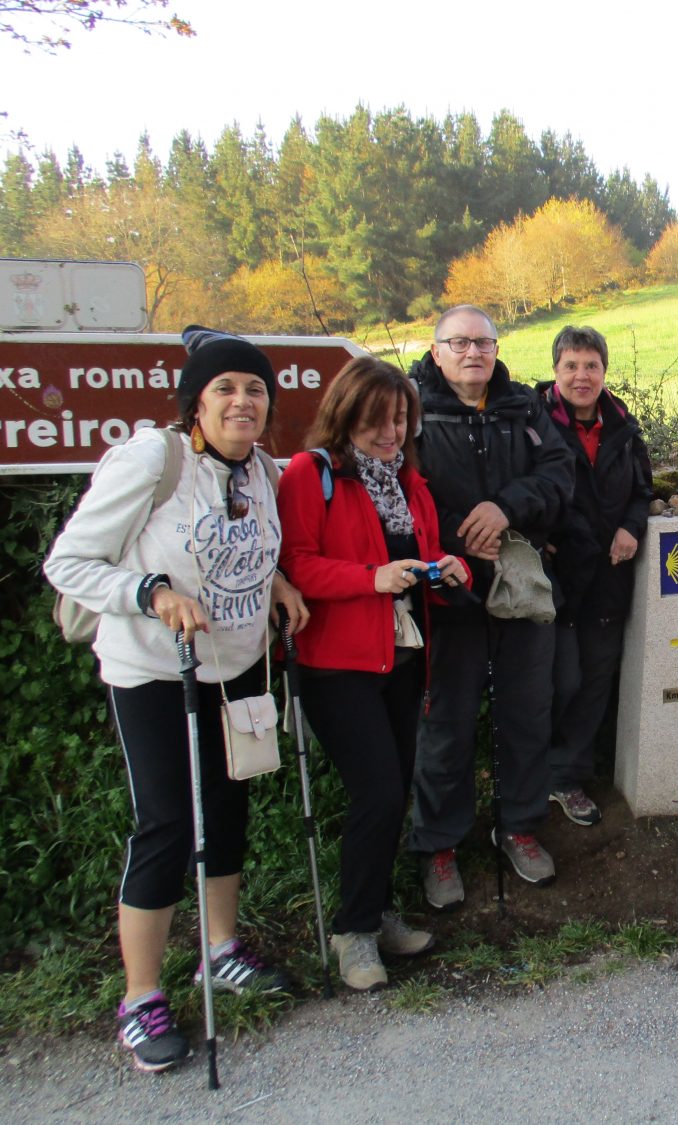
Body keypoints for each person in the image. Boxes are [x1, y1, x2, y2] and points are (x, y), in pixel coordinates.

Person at [44, 325, 308, 1073]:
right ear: (195, 402)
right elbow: (69, 562)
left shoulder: (261, 470)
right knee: (166, 824)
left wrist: (278, 582)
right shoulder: (151, 461)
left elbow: (237, 549)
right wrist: (151, 592)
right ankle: (141, 998)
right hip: (157, 672)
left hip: (237, 666)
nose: (242, 401)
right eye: (225, 388)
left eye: (255, 389)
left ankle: (219, 951)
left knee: (227, 811)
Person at [277, 357, 471, 989]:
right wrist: (371, 579)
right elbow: (295, 564)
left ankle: (377, 912)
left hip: (404, 657)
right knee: (379, 792)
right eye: (376, 421)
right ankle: (354, 933)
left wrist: (448, 567)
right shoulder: (311, 473)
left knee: (392, 792)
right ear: (346, 416)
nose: (391, 433)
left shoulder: (409, 481)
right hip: (337, 664)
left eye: (401, 419)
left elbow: (421, 553)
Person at [408, 304, 572, 905]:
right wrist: (461, 533)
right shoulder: (413, 412)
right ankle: (439, 846)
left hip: (521, 586)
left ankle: (519, 826)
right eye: (459, 342)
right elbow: (401, 489)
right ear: (437, 351)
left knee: (528, 712)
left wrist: (506, 508)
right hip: (448, 591)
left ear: (497, 349)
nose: (473, 352)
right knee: (446, 723)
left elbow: (559, 473)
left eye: (483, 342)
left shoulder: (523, 407)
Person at [535, 326, 652, 827]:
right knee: (562, 680)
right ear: (556, 370)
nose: (581, 376)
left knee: (596, 681)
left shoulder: (622, 425)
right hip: (553, 579)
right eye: (571, 366)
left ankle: (567, 779)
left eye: (591, 366)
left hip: (608, 576)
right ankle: (533, 773)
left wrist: (631, 526)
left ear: (604, 371)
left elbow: (643, 491)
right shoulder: (532, 423)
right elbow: (516, 488)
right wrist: (538, 534)